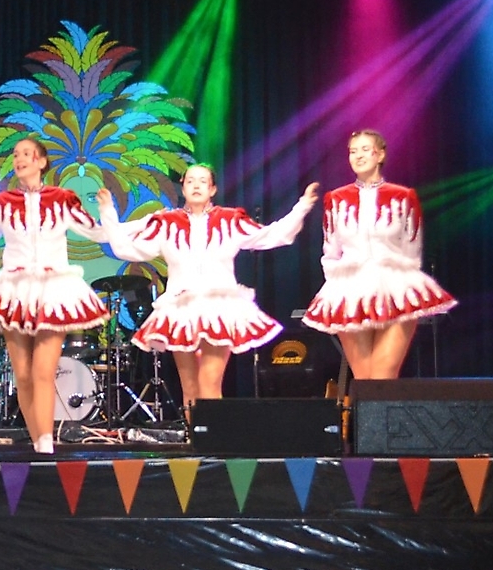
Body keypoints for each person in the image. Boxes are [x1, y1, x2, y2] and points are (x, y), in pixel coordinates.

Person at [0, 136, 112, 455]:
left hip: (53, 291)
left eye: (27, 154)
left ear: (41, 162)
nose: (19, 159)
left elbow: (99, 233)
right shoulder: (3, 203)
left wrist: (107, 210)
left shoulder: (63, 199)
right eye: (15, 154)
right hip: (14, 292)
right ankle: (38, 441)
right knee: (23, 376)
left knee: (42, 372)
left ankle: (46, 446)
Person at [96, 164, 320, 408]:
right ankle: (196, 432)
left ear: (212, 189)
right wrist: (108, 212)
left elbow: (271, 235)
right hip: (181, 310)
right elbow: (127, 249)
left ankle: (211, 432)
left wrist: (302, 206)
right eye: (190, 181)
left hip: (218, 309)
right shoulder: (166, 223)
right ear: (183, 188)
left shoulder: (230, 220)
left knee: (209, 383)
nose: (196, 185)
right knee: (190, 387)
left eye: (203, 181)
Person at [301, 129, 456, 379]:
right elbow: (330, 252)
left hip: (396, 287)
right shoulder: (336, 200)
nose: (358, 156)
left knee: (384, 376)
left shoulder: (403, 197)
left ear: (380, 154)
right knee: (364, 378)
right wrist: (337, 289)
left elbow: (412, 248)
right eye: (353, 151)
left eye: (365, 149)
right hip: (350, 290)